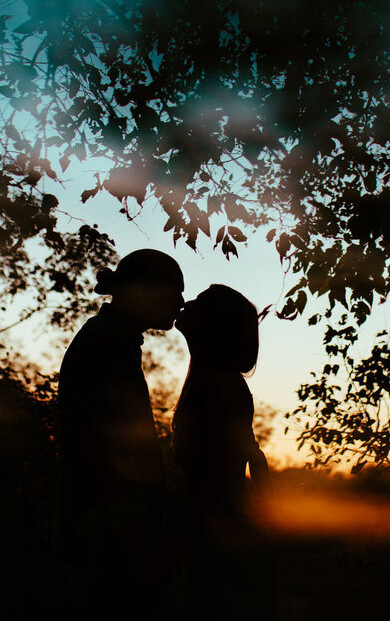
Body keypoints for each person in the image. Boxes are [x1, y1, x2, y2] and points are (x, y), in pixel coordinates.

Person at [54, 248, 185, 618]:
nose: (180, 302)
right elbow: (113, 454)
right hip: (109, 539)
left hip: (108, 534)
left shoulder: (111, 340)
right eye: (174, 291)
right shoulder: (106, 346)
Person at [172, 284, 275, 620]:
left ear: (213, 324)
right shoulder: (212, 376)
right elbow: (253, 454)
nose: (187, 304)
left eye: (199, 303)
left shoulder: (218, 383)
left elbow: (232, 462)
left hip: (215, 527)